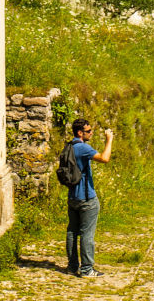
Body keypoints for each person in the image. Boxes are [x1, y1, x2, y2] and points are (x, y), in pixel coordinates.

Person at [65, 118, 113, 278]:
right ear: (80, 133)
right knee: (87, 234)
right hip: (86, 197)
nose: (91, 133)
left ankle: (72, 267)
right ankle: (86, 269)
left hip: (72, 196)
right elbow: (105, 158)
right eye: (88, 131)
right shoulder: (83, 148)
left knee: (72, 231)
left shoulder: (69, 146)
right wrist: (109, 140)